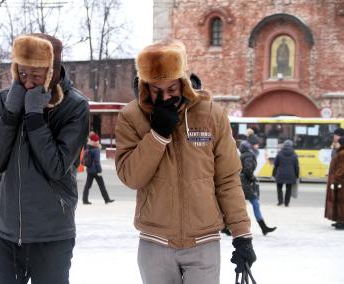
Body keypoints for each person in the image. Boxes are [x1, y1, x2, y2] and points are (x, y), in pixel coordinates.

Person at [115, 39, 256, 284]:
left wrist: (241, 236)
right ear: (145, 85)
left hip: (203, 243)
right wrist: (157, 135)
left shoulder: (210, 113)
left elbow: (228, 179)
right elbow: (131, 177)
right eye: (156, 90)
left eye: (172, 89)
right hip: (155, 243)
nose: (165, 97)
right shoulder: (131, 116)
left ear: (183, 82)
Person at [0, 33, 90, 284]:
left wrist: (35, 118)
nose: (27, 83)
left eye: (37, 76)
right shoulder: (3, 101)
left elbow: (56, 166)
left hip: (51, 237)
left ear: (52, 72)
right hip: (5, 234)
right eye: (22, 74)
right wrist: (10, 114)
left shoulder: (75, 107)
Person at [240, 134, 276, 235]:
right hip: (245, 184)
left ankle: (264, 227)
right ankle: (263, 228)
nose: (257, 146)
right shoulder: (249, 155)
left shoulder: (245, 154)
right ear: (251, 145)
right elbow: (247, 169)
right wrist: (252, 178)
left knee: (240, 206)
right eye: (256, 144)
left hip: (242, 182)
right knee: (254, 203)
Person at [82, 131, 114, 205]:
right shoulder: (96, 149)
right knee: (101, 185)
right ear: (96, 141)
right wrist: (99, 170)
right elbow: (97, 161)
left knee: (87, 185)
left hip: (89, 170)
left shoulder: (88, 147)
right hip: (96, 171)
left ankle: (84, 200)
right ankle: (107, 199)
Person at [273, 139, 300, 207]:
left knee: (279, 188)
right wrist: (297, 175)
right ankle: (286, 203)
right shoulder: (294, 155)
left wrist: (274, 173)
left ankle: (280, 201)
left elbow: (275, 164)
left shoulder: (279, 153)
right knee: (289, 189)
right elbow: (296, 166)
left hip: (280, 174)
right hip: (291, 175)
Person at [325, 136, 344, 230]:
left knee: (341, 202)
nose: (335, 143)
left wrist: (335, 178)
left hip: (341, 182)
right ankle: (339, 220)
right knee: (338, 202)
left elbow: (342, 169)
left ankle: (342, 221)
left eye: (337, 142)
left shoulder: (342, 153)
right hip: (339, 182)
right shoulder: (340, 152)